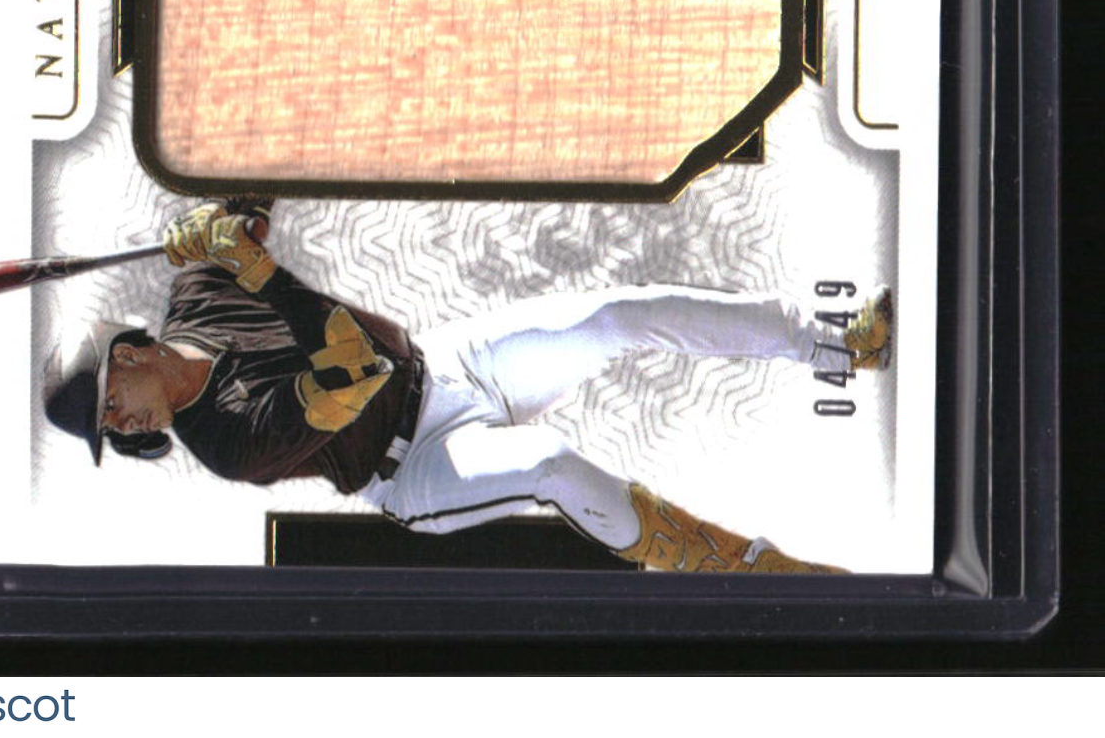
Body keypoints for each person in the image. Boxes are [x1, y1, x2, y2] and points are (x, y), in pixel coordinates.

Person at [45, 203, 893, 574]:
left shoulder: (197, 291)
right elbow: (353, 368)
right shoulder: (226, 441)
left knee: (614, 313)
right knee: (548, 462)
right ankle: (746, 570)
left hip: (448, 366)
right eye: (108, 428)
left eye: (108, 401)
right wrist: (258, 266)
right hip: (417, 466)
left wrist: (214, 217)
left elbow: (247, 198)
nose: (121, 423)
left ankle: (837, 342)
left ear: (130, 352)